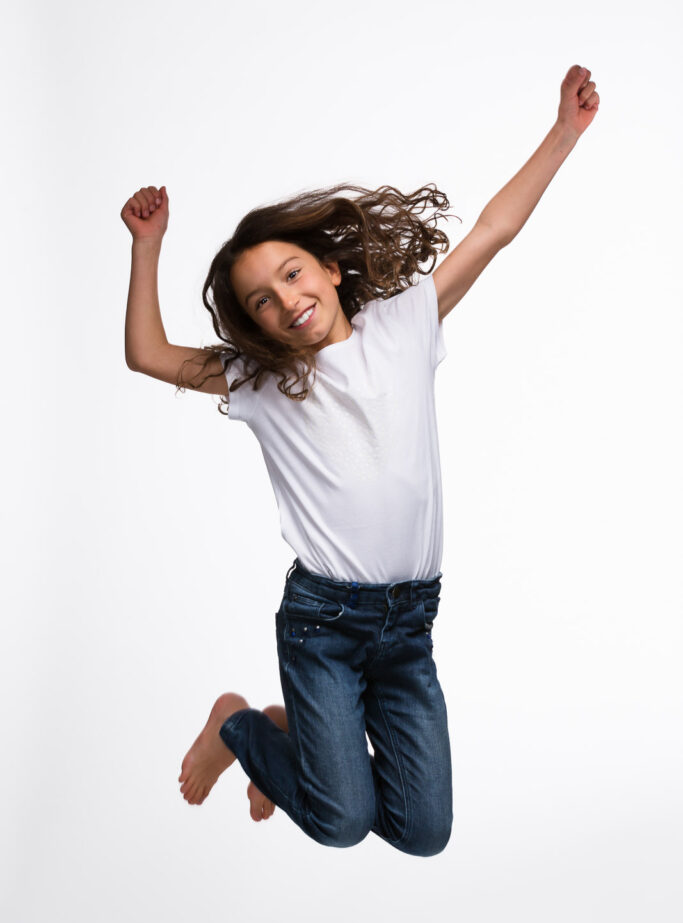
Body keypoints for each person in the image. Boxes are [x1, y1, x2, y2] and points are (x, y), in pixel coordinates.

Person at [120, 65, 599, 856]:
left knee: (422, 831)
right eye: (260, 302)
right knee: (341, 822)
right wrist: (148, 248)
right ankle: (239, 724)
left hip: (409, 622)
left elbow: (491, 230)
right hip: (324, 626)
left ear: (331, 270)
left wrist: (561, 134)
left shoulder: (404, 325)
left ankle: (293, 742)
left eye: (291, 274)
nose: (283, 300)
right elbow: (145, 354)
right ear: (257, 327)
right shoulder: (261, 378)